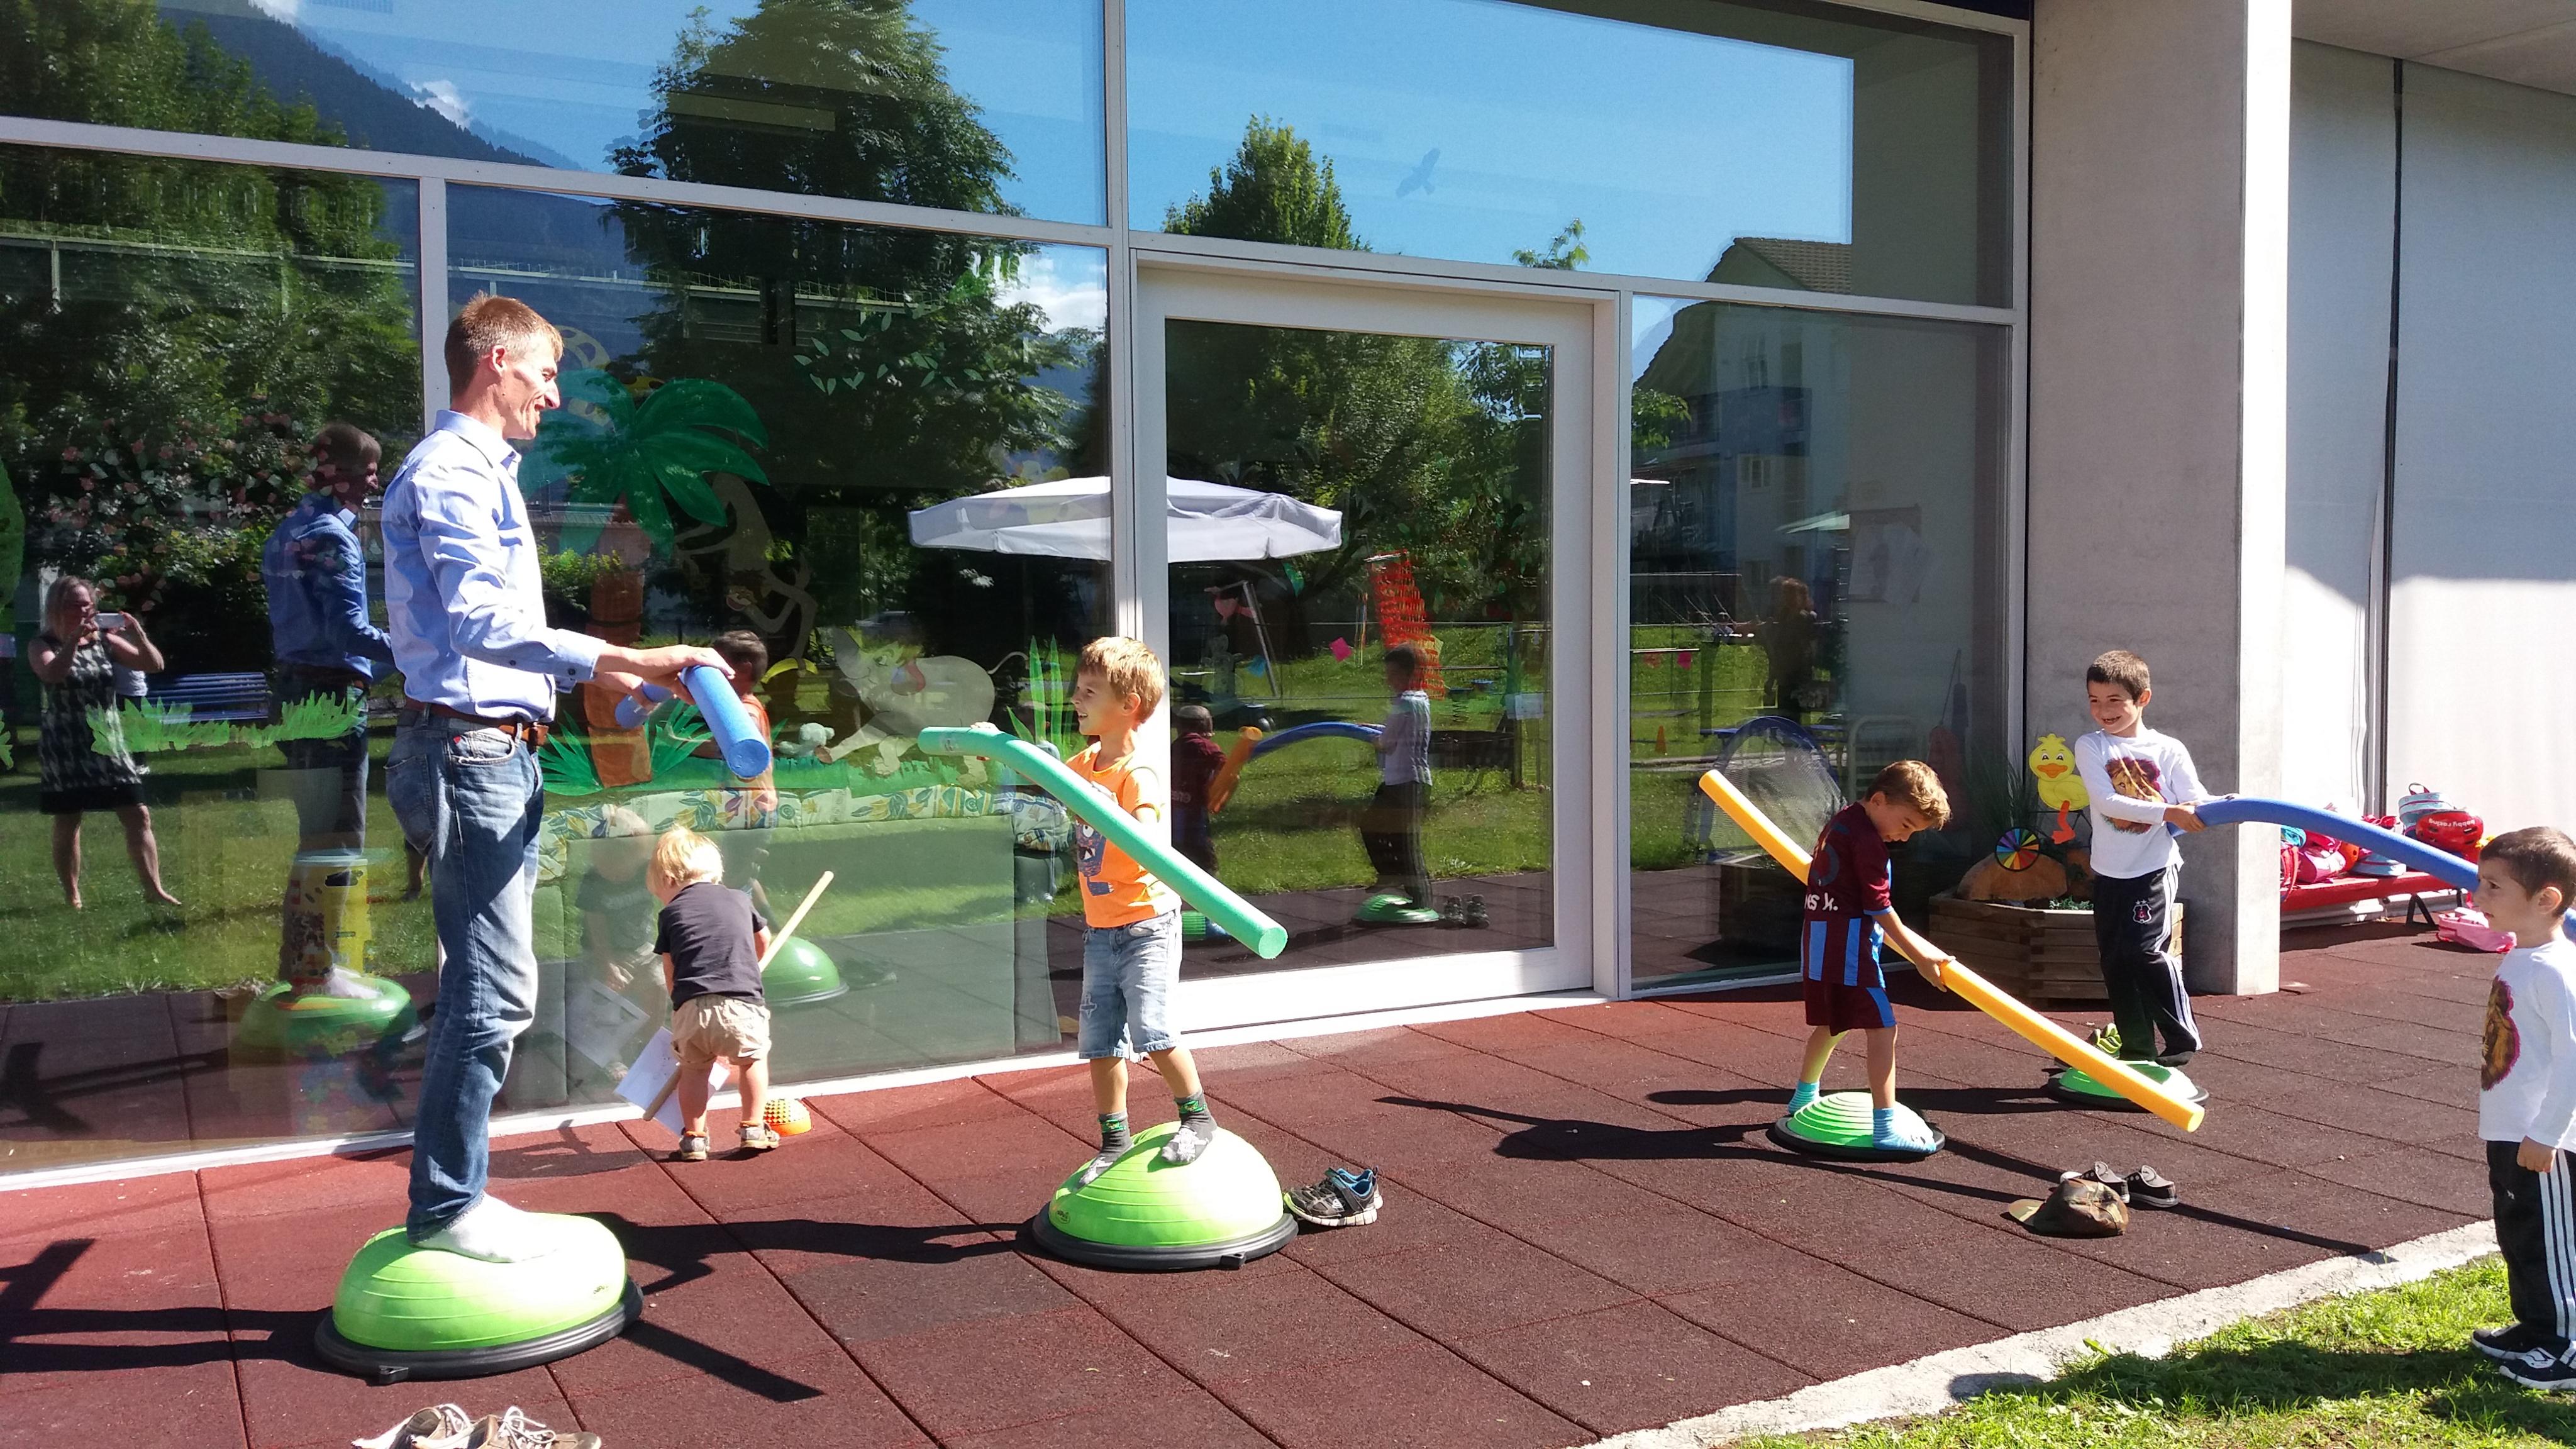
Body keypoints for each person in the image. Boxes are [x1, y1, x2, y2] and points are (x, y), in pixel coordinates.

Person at [382, 292, 725, 1263]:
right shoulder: (452, 470)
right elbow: (479, 625)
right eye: (544, 370)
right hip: (470, 754)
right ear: (496, 362)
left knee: (493, 988)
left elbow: (491, 636)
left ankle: (452, 1199)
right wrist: (629, 656)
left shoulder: (479, 471)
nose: (555, 392)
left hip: (492, 750)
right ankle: (447, 1207)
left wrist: (614, 683)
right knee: (492, 994)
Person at [1067, 636, 1220, 1185]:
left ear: (1128, 705)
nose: (1076, 699)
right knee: (1100, 1041)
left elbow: (1150, 833)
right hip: (1099, 928)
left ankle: (1197, 1118)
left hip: (1146, 924)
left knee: (1153, 1030)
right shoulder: (1082, 764)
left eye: (1090, 692)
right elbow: (1038, 777)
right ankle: (1114, 1140)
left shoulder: (1138, 773)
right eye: (1078, 689)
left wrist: (1116, 815)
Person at [1784, 760, 1957, 1153]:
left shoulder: (1843, 821)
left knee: (1834, 1023)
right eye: (1906, 825)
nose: (1904, 838)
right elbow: (1879, 907)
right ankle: (1885, 1127)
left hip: (1821, 944)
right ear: (1879, 800)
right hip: (1849, 950)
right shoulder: (1868, 844)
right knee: (1883, 1029)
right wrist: (1920, 956)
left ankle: (1803, 1096)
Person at [2467, 828, 2576, 1388]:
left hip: (2543, 1140)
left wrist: (2547, 1133)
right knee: (2522, 1233)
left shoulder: (2557, 970)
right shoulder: (2523, 957)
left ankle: (2568, 1343)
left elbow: (2574, 1060)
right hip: (2513, 1131)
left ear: (2546, 899)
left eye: (2493, 886)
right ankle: (2537, 1327)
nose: (2477, 895)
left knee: (2553, 1239)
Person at [263, 421, 397, 855]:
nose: (375, 483)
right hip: (331, 700)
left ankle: (310, 904)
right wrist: (418, 650)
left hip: (291, 691)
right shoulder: (332, 537)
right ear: (340, 474)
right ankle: (331, 905)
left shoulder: (286, 532)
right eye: (370, 472)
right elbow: (347, 632)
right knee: (339, 843)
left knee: (316, 836)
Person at [2072, 649, 2209, 1067]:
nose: (2104, 711)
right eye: (2095, 700)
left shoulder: (2168, 749)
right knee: (2115, 961)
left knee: (2145, 951)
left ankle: (2182, 1037)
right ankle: (2137, 1049)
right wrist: (2169, 812)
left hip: (2153, 869)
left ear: (2142, 698)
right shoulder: (2091, 746)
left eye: (2115, 700)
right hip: (2108, 872)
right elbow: (2107, 802)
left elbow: (2195, 800)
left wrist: (2214, 807)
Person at [30, 575, 179, 909]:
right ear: (57, 608)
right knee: (69, 819)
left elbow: (154, 665)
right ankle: (72, 895)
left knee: (138, 812)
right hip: (66, 742)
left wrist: (138, 635)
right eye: (75, 605)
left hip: (108, 739)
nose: (84, 611)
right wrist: (72, 641)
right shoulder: (42, 644)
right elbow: (53, 674)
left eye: (88, 604)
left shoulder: (105, 641)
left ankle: (154, 890)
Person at [652, 824, 777, 1162]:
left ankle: (694, 1138)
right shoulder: (739, 898)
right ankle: (753, 1127)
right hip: (740, 1002)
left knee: (694, 1071)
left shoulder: (670, 913)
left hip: (691, 1007)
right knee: (752, 1060)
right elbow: (763, 939)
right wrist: (750, 965)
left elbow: (670, 968)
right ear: (715, 872)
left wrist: (679, 1003)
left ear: (668, 880)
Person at [701, 630, 779, 925]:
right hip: (748, 806)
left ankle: (749, 931)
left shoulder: (746, 713)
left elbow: (729, 747)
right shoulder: (744, 705)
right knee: (740, 871)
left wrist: (679, 747)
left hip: (753, 808)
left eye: (719, 668)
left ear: (743, 670)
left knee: (733, 877)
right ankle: (770, 925)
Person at [1362, 643, 1434, 914]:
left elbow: (1387, 743)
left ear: (1410, 675)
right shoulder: (1419, 701)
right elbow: (1397, 732)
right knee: (1373, 823)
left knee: (1406, 841)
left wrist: (1373, 739)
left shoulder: (1404, 703)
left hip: (1407, 782)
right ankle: (1390, 873)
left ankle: (1422, 899)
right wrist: (1372, 729)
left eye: (1393, 674)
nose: (1388, 679)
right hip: (1400, 781)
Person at [1756, 575, 1821, 720]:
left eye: (1789, 594)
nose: (1784, 598)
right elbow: (1777, 651)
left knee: (1798, 717)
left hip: (1799, 677)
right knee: (1784, 718)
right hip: (1784, 678)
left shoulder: (1805, 619)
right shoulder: (1781, 619)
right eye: (1784, 594)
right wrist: (1772, 678)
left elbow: (1810, 649)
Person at [1170, 702, 1222, 875]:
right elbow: (1224, 765)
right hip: (1195, 809)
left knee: (1177, 847)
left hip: (1174, 806)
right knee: (1201, 853)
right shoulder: (1207, 748)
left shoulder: (1175, 747)